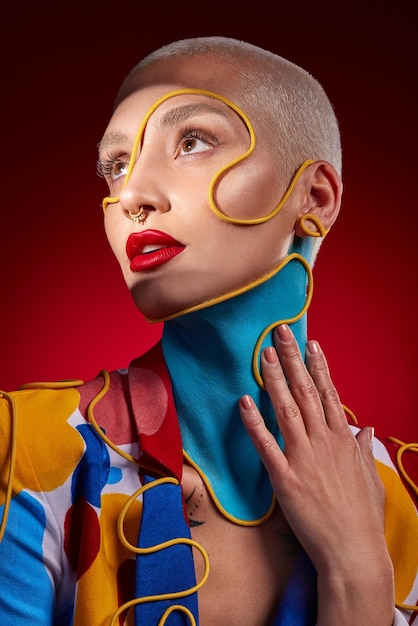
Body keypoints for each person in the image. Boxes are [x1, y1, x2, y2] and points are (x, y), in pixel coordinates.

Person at [0, 36, 417, 626]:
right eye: (117, 166)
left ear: (315, 197)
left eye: (192, 142)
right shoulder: (29, 454)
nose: (133, 198)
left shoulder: (409, 500)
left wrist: (359, 568)